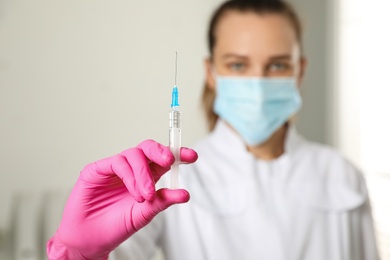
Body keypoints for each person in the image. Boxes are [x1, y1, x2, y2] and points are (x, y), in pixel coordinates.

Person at [47, 0, 379, 259]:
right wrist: (79, 254)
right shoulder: (173, 179)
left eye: (277, 64)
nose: (258, 82)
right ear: (211, 72)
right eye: (237, 64)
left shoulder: (342, 174)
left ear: (300, 70)